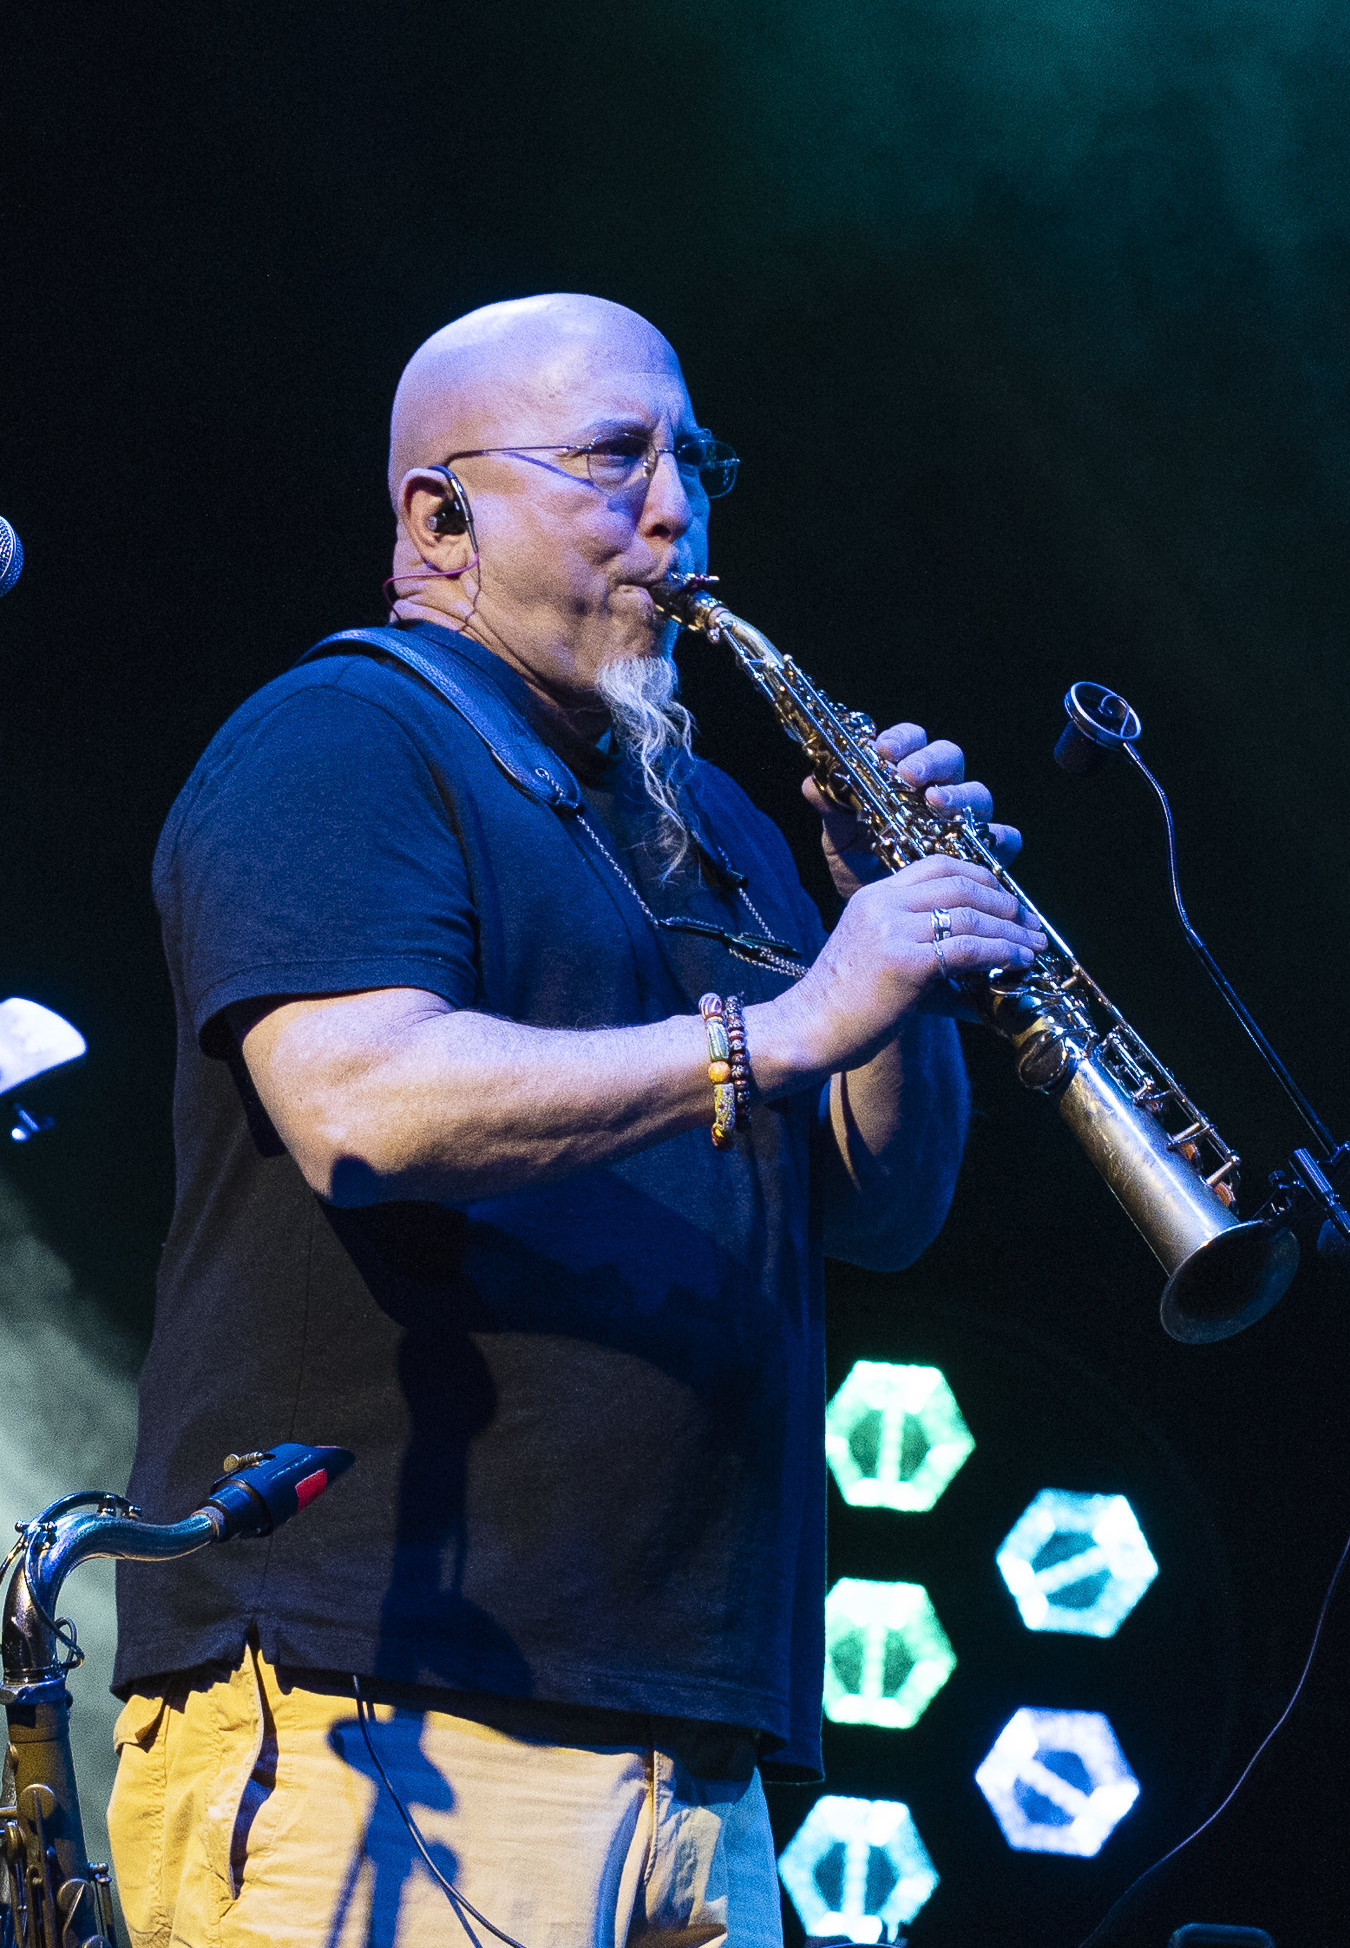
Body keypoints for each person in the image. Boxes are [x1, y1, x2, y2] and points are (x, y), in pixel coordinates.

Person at [108, 293, 1045, 1948]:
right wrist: (791, 1021)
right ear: (440, 514)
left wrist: (892, 951)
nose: (677, 507)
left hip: (694, 1740)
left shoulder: (722, 821)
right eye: (617, 459)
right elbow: (359, 1100)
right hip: (382, 1710)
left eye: (694, 458)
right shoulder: (342, 738)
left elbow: (880, 1211)